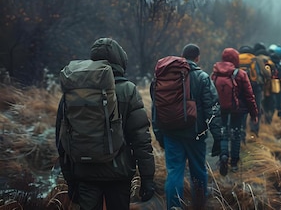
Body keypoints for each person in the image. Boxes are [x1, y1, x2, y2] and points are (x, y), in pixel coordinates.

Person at [56, 38, 155, 210]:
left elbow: (62, 139)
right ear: (120, 59)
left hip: (84, 172)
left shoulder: (73, 92)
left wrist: (70, 179)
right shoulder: (128, 90)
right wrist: (147, 178)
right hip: (119, 173)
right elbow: (141, 138)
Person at [153, 43, 220, 209]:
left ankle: (174, 206)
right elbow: (212, 107)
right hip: (195, 134)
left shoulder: (163, 76)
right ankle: (199, 205)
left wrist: (159, 134)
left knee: (174, 172)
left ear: (182, 56)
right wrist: (218, 136)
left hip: (170, 132)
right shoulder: (202, 77)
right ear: (197, 58)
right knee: (198, 171)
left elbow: (156, 109)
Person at [212, 47, 259, 175]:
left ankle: (223, 156)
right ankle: (234, 164)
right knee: (236, 134)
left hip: (221, 108)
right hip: (238, 109)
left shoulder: (216, 72)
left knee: (223, 133)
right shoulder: (241, 74)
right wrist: (254, 113)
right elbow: (249, 96)